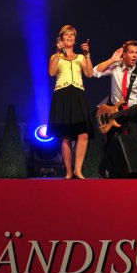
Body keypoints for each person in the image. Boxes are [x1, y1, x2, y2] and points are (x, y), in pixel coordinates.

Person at [48, 25, 94, 179]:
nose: (69, 36)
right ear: (61, 39)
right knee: (66, 136)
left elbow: (89, 74)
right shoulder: (55, 57)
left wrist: (87, 54)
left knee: (83, 134)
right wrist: (56, 53)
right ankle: (68, 172)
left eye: (72, 35)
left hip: (78, 95)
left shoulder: (81, 57)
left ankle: (78, 170)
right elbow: (52, 72)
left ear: (75, 39)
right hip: (62, 95)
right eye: (66, 35)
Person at [93, 40, 137, 135]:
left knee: (132, 144)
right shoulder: (115, 67)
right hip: (113, 113)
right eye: (131, 52)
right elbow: (95, 72)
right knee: (111, 146)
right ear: (124, 55)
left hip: (131, 113)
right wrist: (112, 59)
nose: (135, 55)